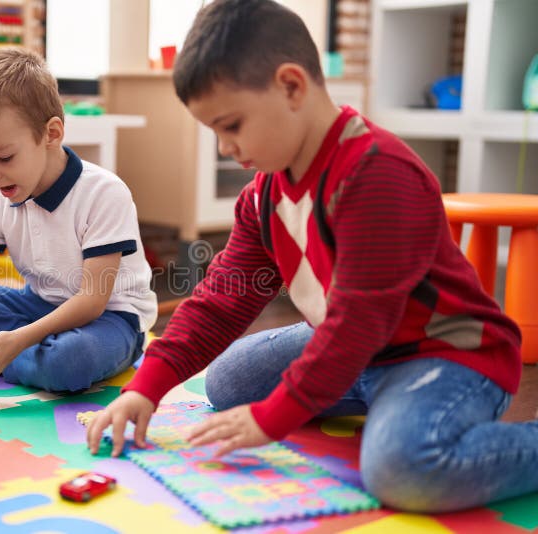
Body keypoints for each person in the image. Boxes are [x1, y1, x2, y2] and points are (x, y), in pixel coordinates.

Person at [87, 0, 538, 513]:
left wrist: (273, 418)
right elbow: (220, 302)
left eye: (231, 125)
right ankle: (375, 400)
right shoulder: (263, 196)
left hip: (442, 352)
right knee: (228, 382)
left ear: (291, 86)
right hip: (351, 344)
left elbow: (359, 323)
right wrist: (145, 389)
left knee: (403, 470)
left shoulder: (378, 173)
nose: (224, 147)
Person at [0, 47, 157, 393]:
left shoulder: (104, 193)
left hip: (110, 320)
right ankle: (11, 353)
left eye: (4, 157)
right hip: (38, 307)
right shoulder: (1, 198)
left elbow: (91, 301)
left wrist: (20, 337)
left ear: (52, 134)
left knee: (69, 362)